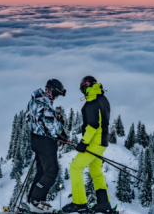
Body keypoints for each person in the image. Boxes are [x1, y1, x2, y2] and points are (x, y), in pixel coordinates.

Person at [62, 76, 113, 214]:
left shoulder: (92, 101)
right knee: (96, 172)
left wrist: (84, 143)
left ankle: (79, 203)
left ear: (85, 87)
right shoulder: (103, 99)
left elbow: (92, 126)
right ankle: (104, 204)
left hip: (94, 142)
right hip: (102, 141)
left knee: (75, 167)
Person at [25, 79, 68, 213]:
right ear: (51, 91)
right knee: (52, 171)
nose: (55, 98)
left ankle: (32, 199)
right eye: (55, 94)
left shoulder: (34, 100)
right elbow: (53, 128)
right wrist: (60, 122)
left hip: (36, 139)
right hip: (45, 142)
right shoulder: (44, 104)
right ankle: (36, 201)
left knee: (42, 171)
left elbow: (27, 118)